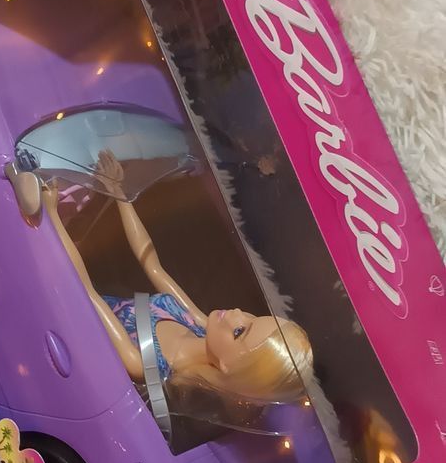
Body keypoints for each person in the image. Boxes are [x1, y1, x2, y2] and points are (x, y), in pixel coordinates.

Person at [43, 150, 313, 404]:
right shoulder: (196, 322)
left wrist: (51, 216)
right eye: (251, 317)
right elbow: (153, 265)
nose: (236, 314)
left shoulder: (147, 365)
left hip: (56, 312)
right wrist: (118, 193)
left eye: (239, 332)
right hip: (64, 280)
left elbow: (86, 294)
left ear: (227, 367)